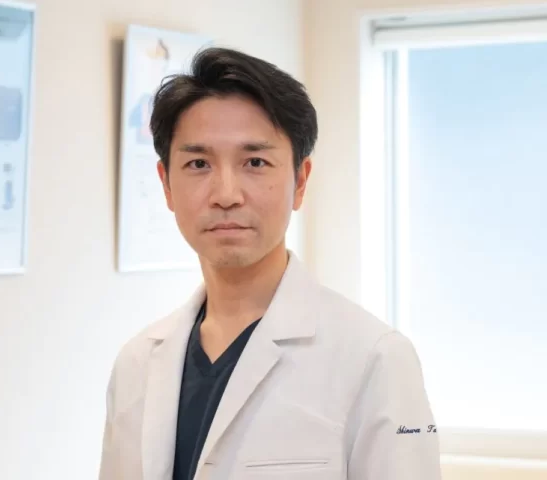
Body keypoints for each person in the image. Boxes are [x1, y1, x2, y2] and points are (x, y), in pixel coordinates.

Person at [99, 47, 441, 480]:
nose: (226, 194)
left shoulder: (375, 359)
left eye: (255, 162)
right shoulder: (136, 365)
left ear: (300, 181)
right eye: (198, 163)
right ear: (166, 184)